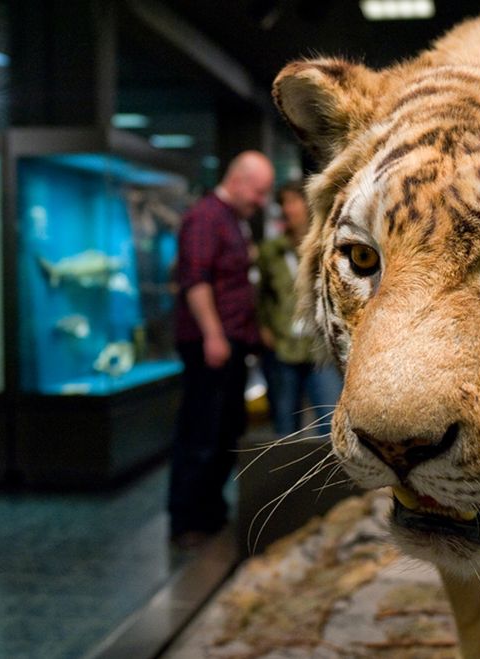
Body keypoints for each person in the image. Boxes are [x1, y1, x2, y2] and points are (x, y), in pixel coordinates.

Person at [168, 150, 274, 549]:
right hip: (210, 347)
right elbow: (195, 279)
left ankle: (209, 513)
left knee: (224, 431)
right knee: (200, 433)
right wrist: (213, 333)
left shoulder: (231, 220)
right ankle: (187, 521)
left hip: (231, 347)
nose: (261, 201)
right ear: (239, 180)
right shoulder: (205, 217)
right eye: (259, 192)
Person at [257, 181, 342, 437]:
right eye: (282, 203)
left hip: (320, 350)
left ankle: (325, 477)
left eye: (292, 202)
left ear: (307, 205)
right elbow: (262, 295)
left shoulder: (328, 246)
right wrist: (264, 328)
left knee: (330, 422)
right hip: (284, 347)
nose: (286, 209)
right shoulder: (270, 251)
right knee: (285, 424)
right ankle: (288, 478)